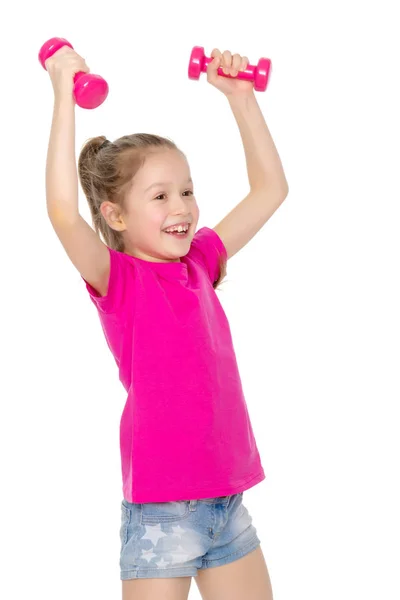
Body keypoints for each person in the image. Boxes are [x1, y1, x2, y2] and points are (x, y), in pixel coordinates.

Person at [44, 43, 288, 600]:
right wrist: (64, 95)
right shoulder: (119, 280)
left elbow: (271, 190)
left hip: (228, 507)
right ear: (115, 214)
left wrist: (242, 98)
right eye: (160, 196)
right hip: (162, 516)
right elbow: (62, 211)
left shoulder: (200, 261)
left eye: (187, 191)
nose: (181, 207)